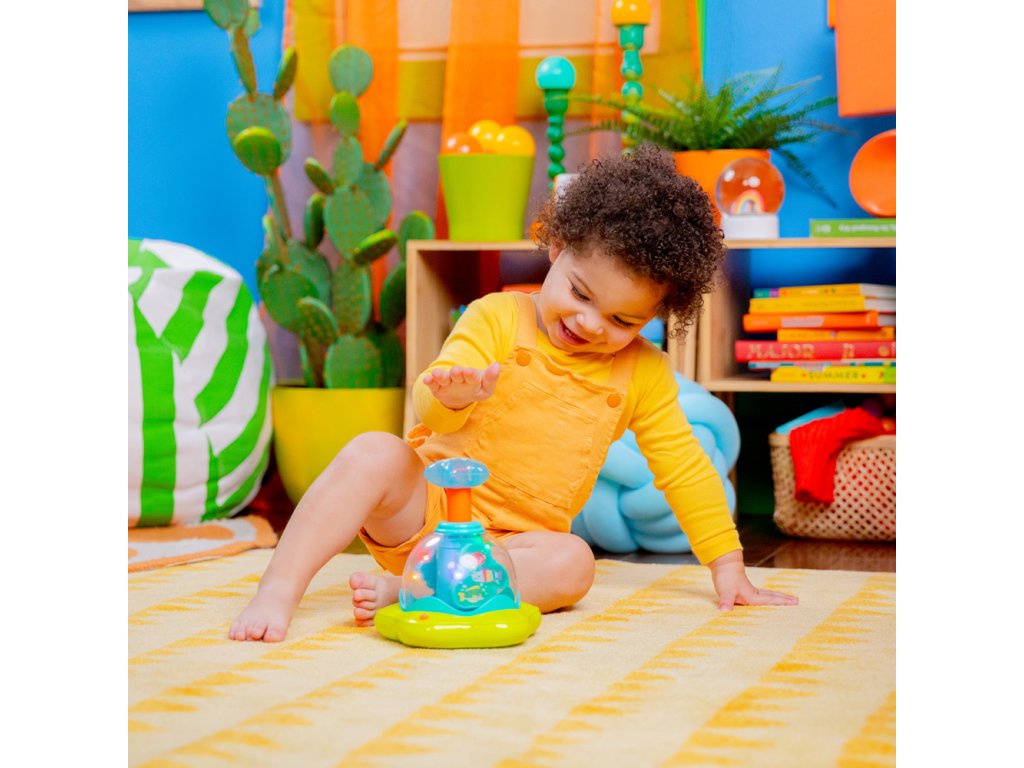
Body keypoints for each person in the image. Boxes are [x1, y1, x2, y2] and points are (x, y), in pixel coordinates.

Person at [230, 144, 798, 643]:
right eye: (580, 294)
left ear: (655, 315)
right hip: (425, 514)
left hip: (514, 548)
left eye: (623, 320)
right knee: (372, 452)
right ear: (557, 247)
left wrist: (728, 567)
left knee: (574, 562)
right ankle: (279, 588)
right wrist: (454, 396)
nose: (591, 324)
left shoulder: (643, 372)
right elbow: (430, 412)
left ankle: (410, 592)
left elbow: (685, 468)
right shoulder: (497, 316)